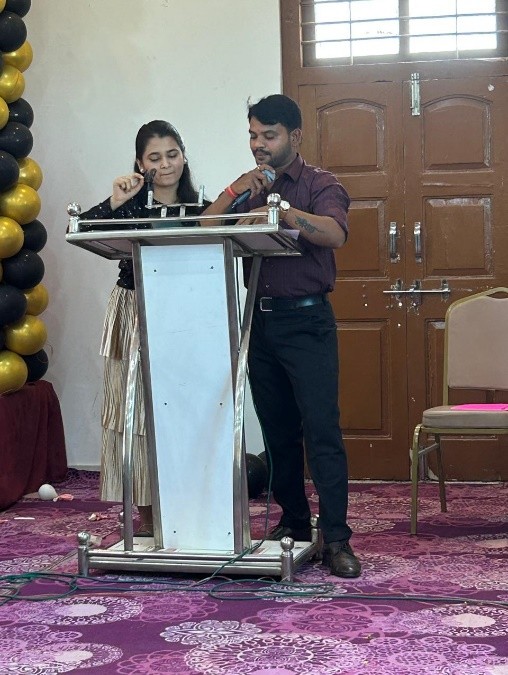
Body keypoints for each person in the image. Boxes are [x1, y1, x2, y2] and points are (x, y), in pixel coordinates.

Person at [203, 95, 360, 578]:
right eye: (253, 135)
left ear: (294, 136)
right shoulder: (249, 187)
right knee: (277, 431)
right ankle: (293, 521)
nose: (259, 145)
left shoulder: (319, 184)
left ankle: (336, 538)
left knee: (321, 431)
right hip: (261, 323)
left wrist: (282, 212)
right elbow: (206, 226)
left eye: (268, 136)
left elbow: (334, 234)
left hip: (307, 323)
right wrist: (236, 190)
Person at [80, 120, 208, 536]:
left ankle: (191, 509)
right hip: (134, 309)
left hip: (187, 314)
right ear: (140, 164)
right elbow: (82, 229)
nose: (166, 164)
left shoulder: (204, 208)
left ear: (184, 156)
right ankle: (148, 516)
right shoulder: (131, 205)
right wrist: (116, 200)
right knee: (135, 414)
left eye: (173, 154)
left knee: (187, 412)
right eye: (155, 157)